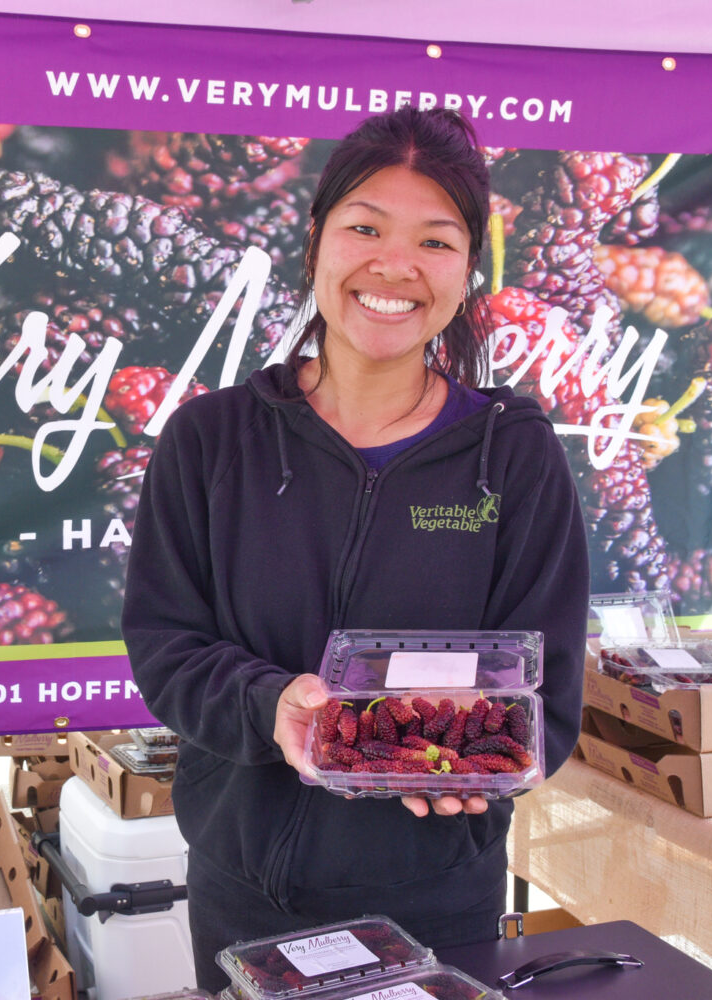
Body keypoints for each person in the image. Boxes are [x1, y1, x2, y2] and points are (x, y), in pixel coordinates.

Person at [120, 107, 590, 991]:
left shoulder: (514, 455)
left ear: (468, 268)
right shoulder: (212, 440)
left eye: (436, 240)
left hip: (436, 895)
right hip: (244, 889)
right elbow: (166, 649)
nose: (394, 266)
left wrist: (475, 776)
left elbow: (547, 692)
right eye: (365, 227)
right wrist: (275, 707)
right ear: (315, 241)